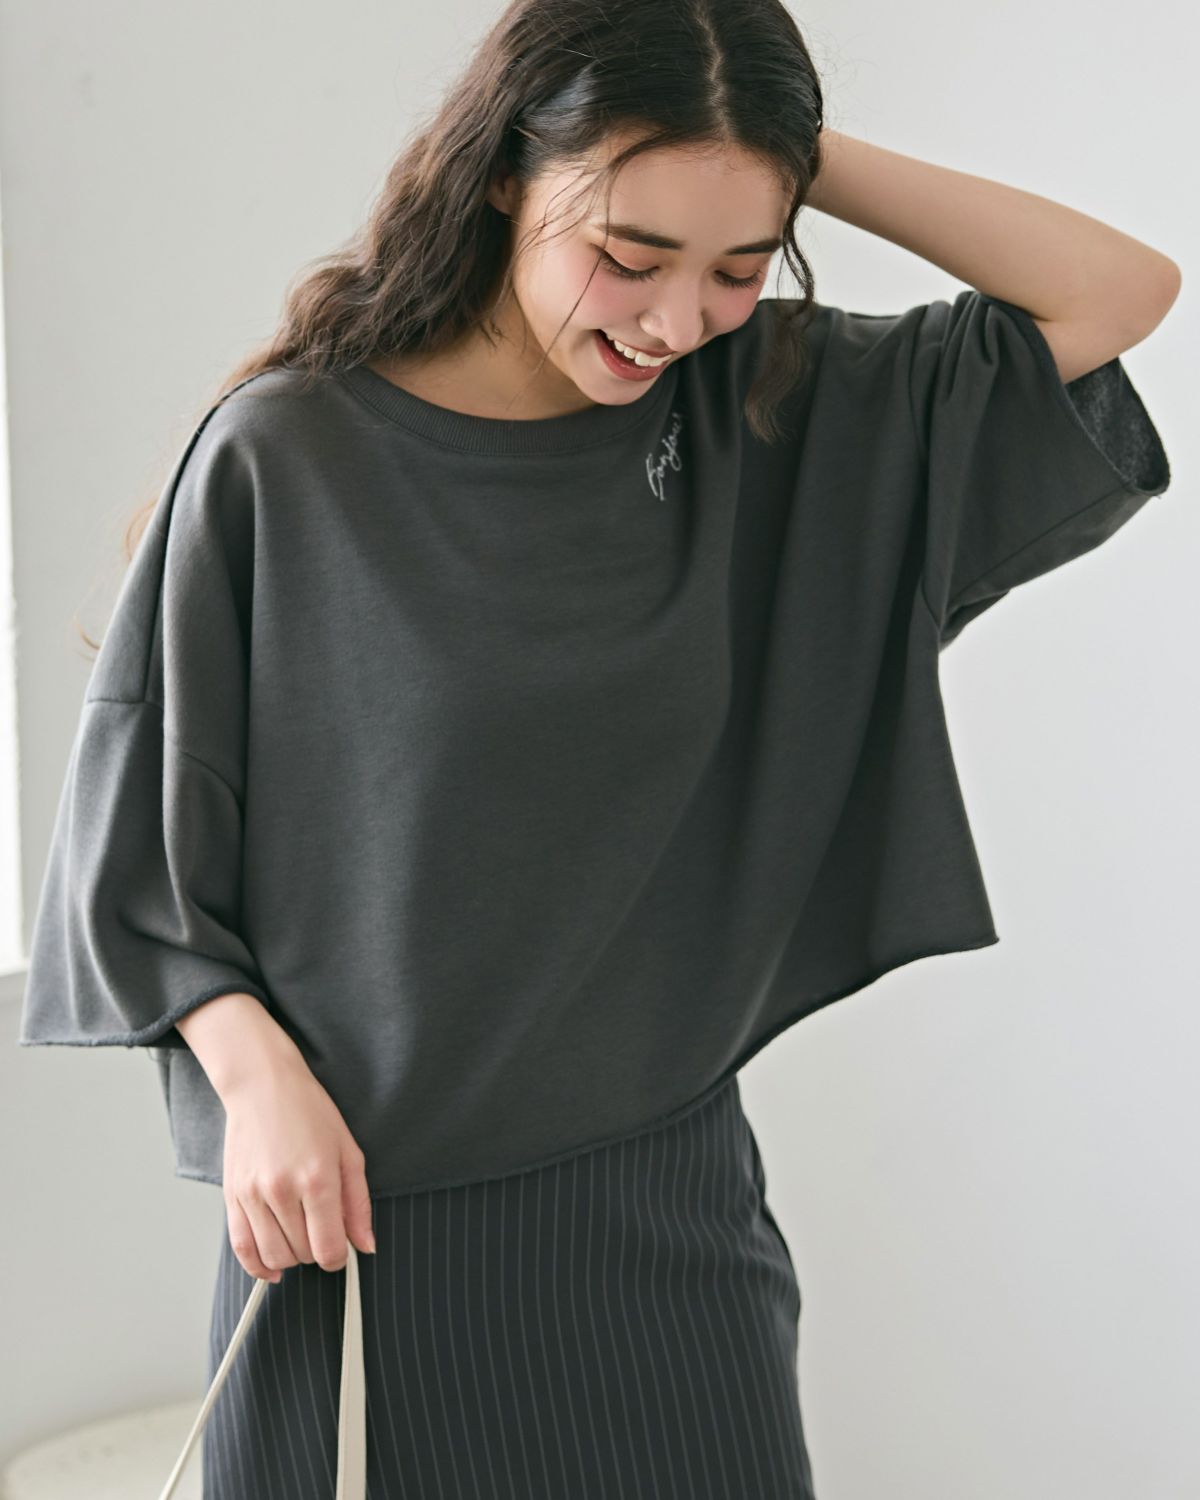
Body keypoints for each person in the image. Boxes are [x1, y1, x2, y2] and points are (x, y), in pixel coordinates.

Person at [17, 0, 1177, 1495]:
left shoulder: (766, 414)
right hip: (364, 1235)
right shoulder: (287, 457)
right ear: (507, 170)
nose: (675, 319)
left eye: (739, 268)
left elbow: (1117, 293)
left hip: (671, 1239)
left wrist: (774, 138)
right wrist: (256, 1086)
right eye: (630, 254)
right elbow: (138, 856)